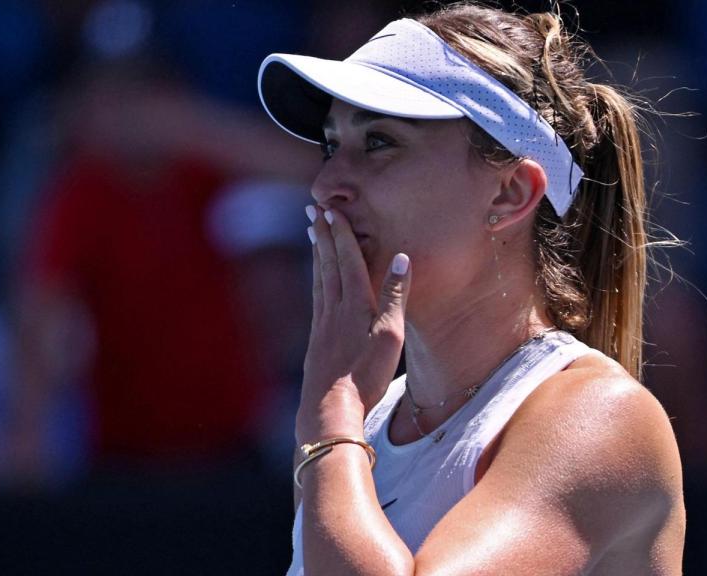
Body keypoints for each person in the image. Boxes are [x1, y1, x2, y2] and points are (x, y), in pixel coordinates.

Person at [257, 3, 685, 574]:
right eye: (332, 147)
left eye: (379, 142)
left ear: (510, 193)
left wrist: (330, 412)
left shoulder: (602, 417)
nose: (326, 184)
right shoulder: (358, 422)